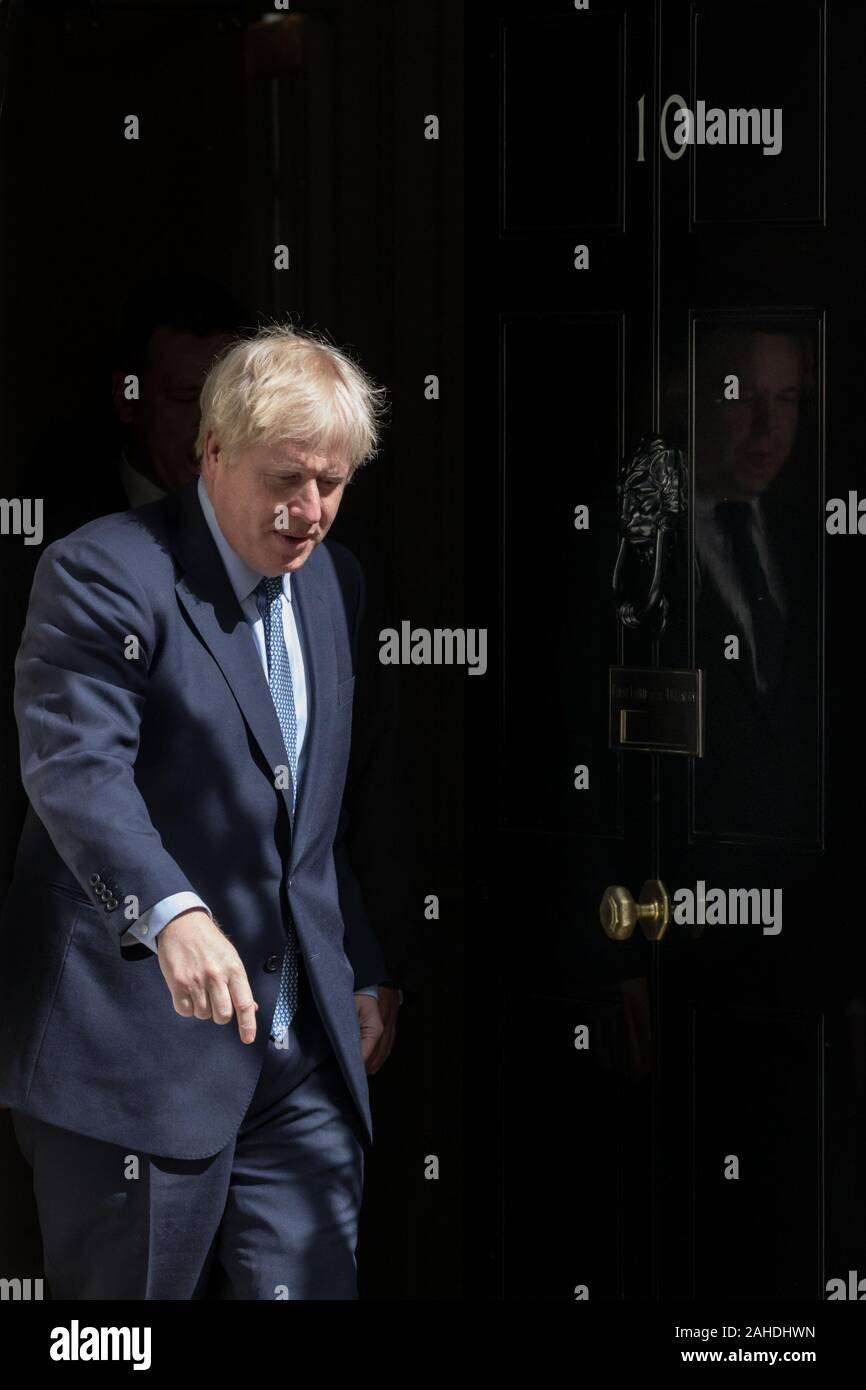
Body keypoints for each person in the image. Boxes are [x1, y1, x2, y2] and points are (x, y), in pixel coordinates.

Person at [0, 323, 396, 1299]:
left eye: (332, 484)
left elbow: (309, 810)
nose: (309, 512)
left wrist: (362, 965)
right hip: (135, 1058)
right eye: (284, 480)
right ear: (213, 452)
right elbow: (79, 771)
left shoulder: (332, 586)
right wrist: (170, 911)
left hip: (297, 1060)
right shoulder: (102, 572)